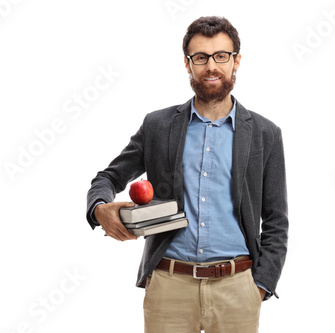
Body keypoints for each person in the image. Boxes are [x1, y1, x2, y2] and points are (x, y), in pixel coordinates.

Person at [86, 16, 288, 333]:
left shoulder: (265, 134)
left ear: (237, 61)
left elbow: (276, 219)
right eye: (201, 57)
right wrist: (100, 208)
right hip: (169, 286)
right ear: (187, 63)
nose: (211, 66)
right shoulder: (158, 126)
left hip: (238, 289)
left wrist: (260, 285)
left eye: (221, 56)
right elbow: (107, 179)